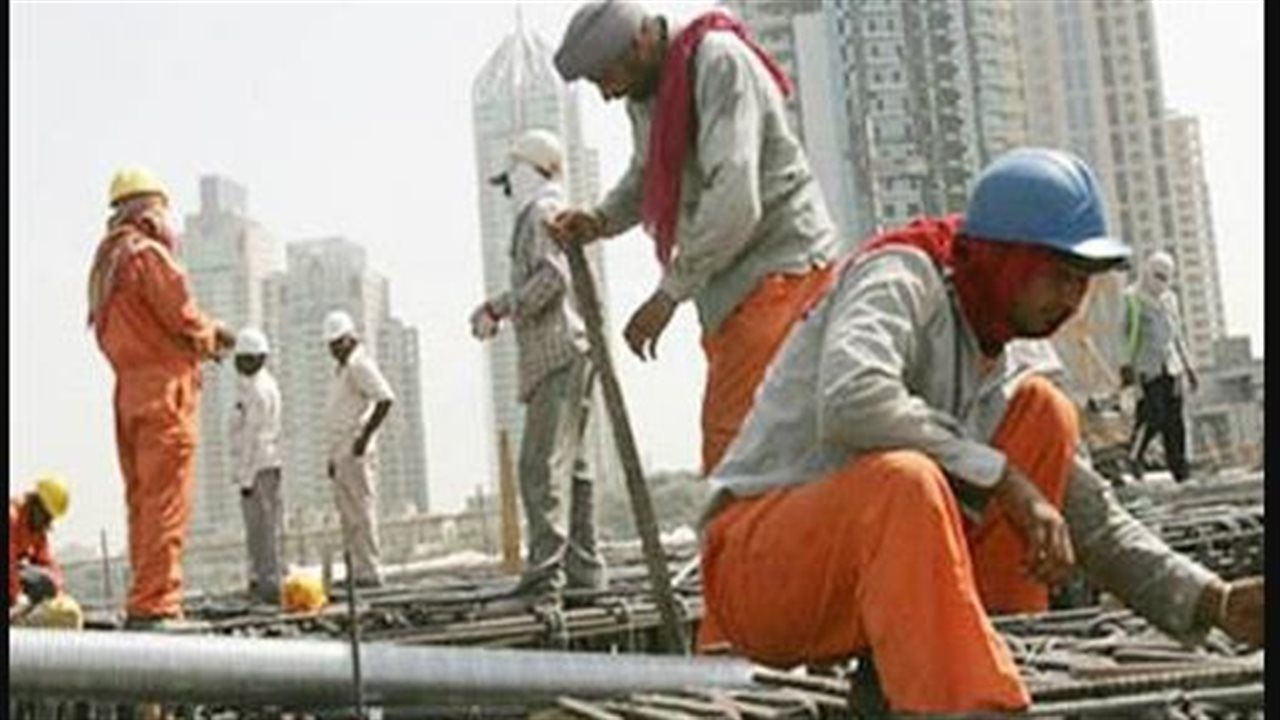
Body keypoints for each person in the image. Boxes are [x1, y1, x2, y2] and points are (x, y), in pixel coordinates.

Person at [698, 149, 1265, 714]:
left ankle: (990, 661)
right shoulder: (899, 276)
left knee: (1045, 415)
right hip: (760, 573)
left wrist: (1212, 601)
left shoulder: (1006, 343)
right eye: (1058, 278)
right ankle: (967, 704)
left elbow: (1089, 518)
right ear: (1006, 260)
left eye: (1081, 283)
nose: (1070, 301)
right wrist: (1003, 478)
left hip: (871, 577)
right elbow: (851, 399)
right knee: (906, 483)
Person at [548, 0, 838, 474]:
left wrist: (668, 295)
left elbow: (735, 199)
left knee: (738, 457)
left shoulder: (718, 62)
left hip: (782, 276)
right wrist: (599, 220)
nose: (606, 95)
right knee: (765, 455)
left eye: (606, 78)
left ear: (639, 44)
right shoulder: (649, 95)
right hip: (730, 293)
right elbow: (647, 175)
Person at [87, 167, 236, 629]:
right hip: (164, 393)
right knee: (167, 502)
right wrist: (214, 335)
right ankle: (158, 604)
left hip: (129, 395)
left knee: (143, 503)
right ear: (149, 211)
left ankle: (144, 598)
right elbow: (183, 315)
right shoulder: (147, 256)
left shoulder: (106, 268)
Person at [470, 128, 607, 605]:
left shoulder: (540, 212)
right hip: (570, 351)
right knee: (574, 468)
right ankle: (585, 571)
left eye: (510, 180)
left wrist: (500, 308)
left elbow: (552, 278)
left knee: (539, 466)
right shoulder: (550, 209)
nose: (509, 191)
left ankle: (544, 579)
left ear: (528, 171)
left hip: (557, 353)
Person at [322, 310, 394, 588]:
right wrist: (333, 457)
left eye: (338, 343)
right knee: (349, 515)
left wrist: (364, 438)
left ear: (350, 338)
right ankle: (358, 571)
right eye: (331, 344)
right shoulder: (344, 369)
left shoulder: (360, 365)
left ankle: (370, 571)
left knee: (361, 513)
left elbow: (385, 399)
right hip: (342, 450)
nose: (334, 349)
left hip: (354, 449)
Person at [1121, 250, 1198, 481]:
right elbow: (1124, 335)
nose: (1161, 282)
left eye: (1166, 277)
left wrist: (1189, 367)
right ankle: (1134, 456)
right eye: (1157, 276)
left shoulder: (1170, 300)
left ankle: (1180, 469)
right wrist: (1126, 367)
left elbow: (1178, 335)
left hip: (1172, 367)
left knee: (1175, 421)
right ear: (1147, 272)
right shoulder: (1131, 298)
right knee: (1152, 416)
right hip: (1147, 367)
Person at [230, 327, 284, 605]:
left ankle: (269, 584)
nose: (238, 364)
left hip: (260, 468)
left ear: (257, 359)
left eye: (243, 359)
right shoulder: (251, 387)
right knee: (257, 531)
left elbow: (253, 437)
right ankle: (260, 580)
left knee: (264, 530)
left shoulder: (260, 391)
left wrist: (246, 478)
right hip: (257, 467)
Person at [9, 475, 68, 613]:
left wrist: (59, 594)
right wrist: (16, 597)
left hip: (13, 577)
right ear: (35, 503)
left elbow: (47, 562)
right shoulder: (12, 516)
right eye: (47, 516)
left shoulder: (36, 526)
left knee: (46, 582)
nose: (47, 523)